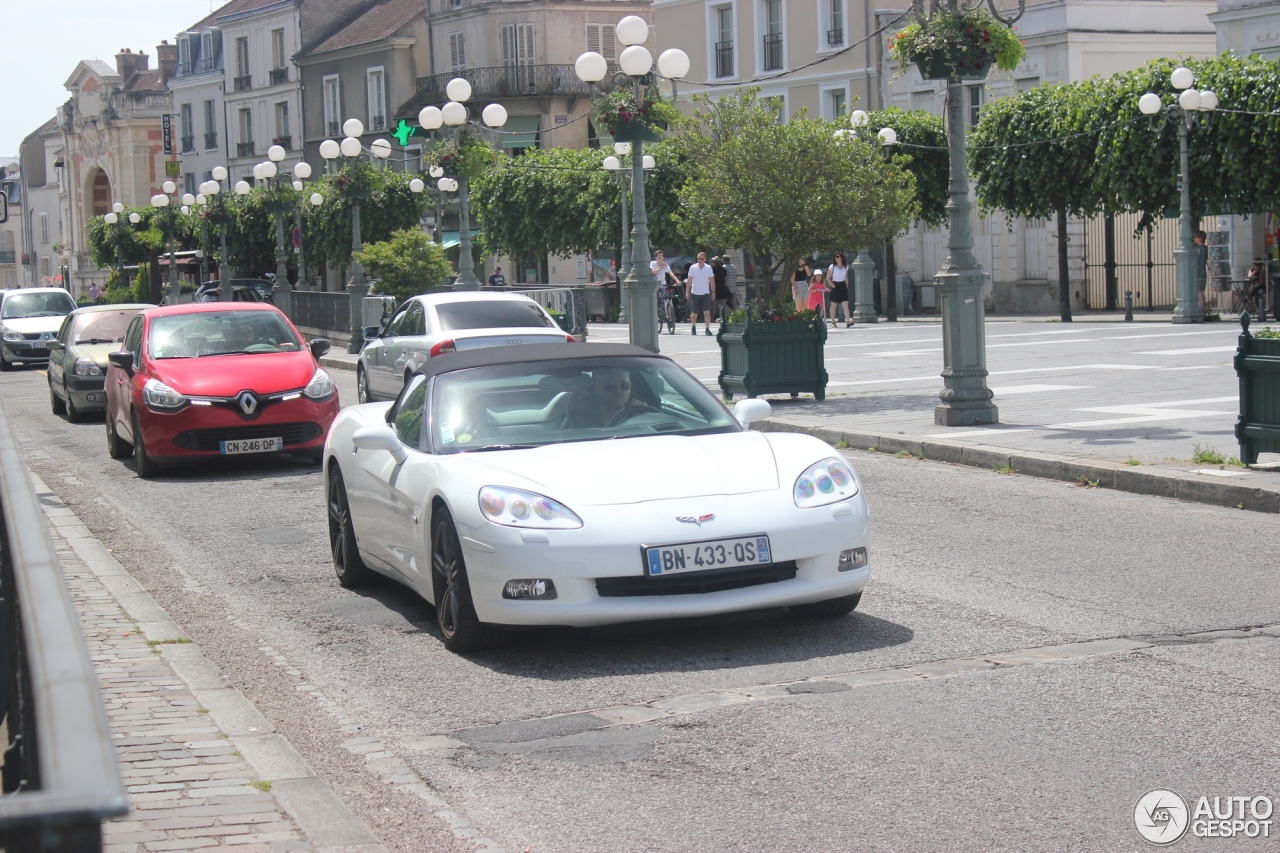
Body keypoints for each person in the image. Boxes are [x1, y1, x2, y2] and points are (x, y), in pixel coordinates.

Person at [565, 368, 635, 428]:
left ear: (630, 387)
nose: (618, 391)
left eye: (624, 385)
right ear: (597, 389)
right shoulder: (582, 425)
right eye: (610, 385)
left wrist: (644, 414)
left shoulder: (640, 417)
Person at [685, 252, 715, 335]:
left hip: (705, 292)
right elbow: (689, 280)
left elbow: (712, 281)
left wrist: (713, 292)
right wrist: (687, 292)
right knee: (694, 313)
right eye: (698, 258)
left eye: (702, 259)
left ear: (705, 259)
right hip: (695, 292)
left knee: (707, 311)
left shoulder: (708, 268)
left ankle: (707, 329)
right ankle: (693, 326)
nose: (700, 260)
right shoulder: (693, 268)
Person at [827, 252, 850, 326]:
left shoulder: (845, 266)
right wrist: (833, 286)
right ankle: (833, 322)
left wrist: (846, 287)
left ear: (842, 257)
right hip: (835, 285)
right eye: (836, 257)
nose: (837, 258)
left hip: (842, 285)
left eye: (838, 257)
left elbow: (846, 278)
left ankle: (848, 322)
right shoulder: (832, 266)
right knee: (833, 305)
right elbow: (827, 278)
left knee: (845, 304)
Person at [712, 256, 731, 323]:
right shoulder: (723, 269)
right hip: (723, 288)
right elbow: (726, 280)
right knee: (724, 304)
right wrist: (725, 287)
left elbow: (712, 279)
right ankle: (730, 316)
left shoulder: (712, 269)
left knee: (714, 304)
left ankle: (712, 318)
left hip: (715, 288)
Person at [1193, 231, 1209, 313]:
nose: (1194, 238)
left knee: (1199, 292)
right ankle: (1200, 311)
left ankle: (1200, 312)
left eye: (1195, 237)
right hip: (1200, 272)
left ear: (1201, 238)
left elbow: (1200, 260)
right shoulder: (1200, 248)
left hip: (1200, 272)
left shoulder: (1201, 248)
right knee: (1199, 292)